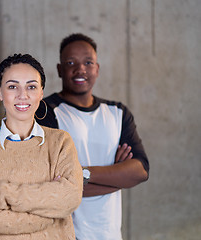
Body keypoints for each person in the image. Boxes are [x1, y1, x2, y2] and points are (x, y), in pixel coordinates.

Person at [35, 33, 150, 240]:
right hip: (65, 234)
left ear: (97, 69)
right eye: (71, 62)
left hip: (110, 234)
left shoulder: (117, 112)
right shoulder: (45, 112)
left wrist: (82, 174)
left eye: (88, 62)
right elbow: (50, 187)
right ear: (60, 70)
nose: (80, 69)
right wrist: (118, 176)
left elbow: (141, 170)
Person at [0, 53, 83, 240]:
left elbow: (70, 197)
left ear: (41, 92)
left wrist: (2, 193)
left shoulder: (60, 142)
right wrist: (44, 215)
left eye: (31, 87)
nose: (22, 95)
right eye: (12, 86)